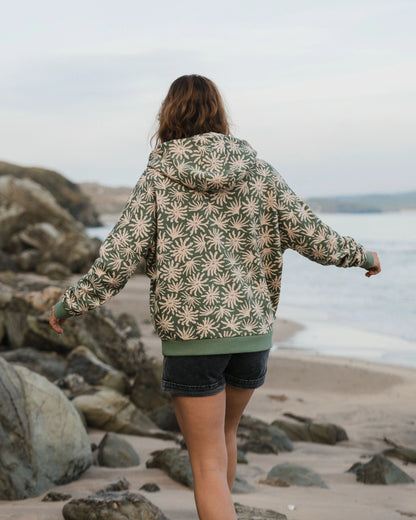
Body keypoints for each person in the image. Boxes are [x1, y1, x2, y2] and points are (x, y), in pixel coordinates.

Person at [50, 74, 381, 520]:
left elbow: (118, 259)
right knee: (224, 438)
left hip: (193, 339)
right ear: (219, 114)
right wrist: (363, 256)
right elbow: (313, 235)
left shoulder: (158, 177)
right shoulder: (259, 173)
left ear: (168, 116)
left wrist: (69, 304)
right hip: (251, 337)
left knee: (205, 461)